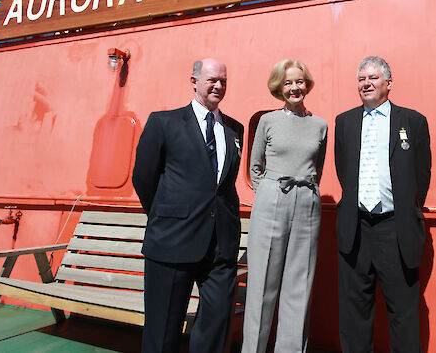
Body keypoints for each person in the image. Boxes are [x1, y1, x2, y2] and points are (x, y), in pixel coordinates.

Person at [132, 58, 244, 353]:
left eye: (223, 81)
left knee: (216, 329)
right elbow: (143, 178)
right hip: (172, 242)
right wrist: (166, 216)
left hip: (221, 246)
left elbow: (224, 185)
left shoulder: (235, 129)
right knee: (162, 332)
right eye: (212, 80)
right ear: (194, 81)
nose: (218, 86)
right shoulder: (163, 123)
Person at [335, 56, 431, 353]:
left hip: (395, 228)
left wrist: (405, 210)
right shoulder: (345, 122)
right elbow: (343, 170)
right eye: (362, 78)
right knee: (354, 315)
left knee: (403, 314)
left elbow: (422, 174)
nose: (366, 83)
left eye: (373, 78)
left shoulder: (412, 121)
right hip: (357, 227)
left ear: (388, 83)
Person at [242, 59, 328, 353]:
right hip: (272, 197)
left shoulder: (320, 124)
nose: (295, 88)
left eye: (299, 82)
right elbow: (255, 167)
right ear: (279, 87)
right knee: (261, 287)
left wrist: (305, 190)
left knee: (299, 286)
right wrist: (270, 190)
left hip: (307, 201)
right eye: (288, 83)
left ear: (307, 84)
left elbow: (319, 167)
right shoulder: (267, 121)